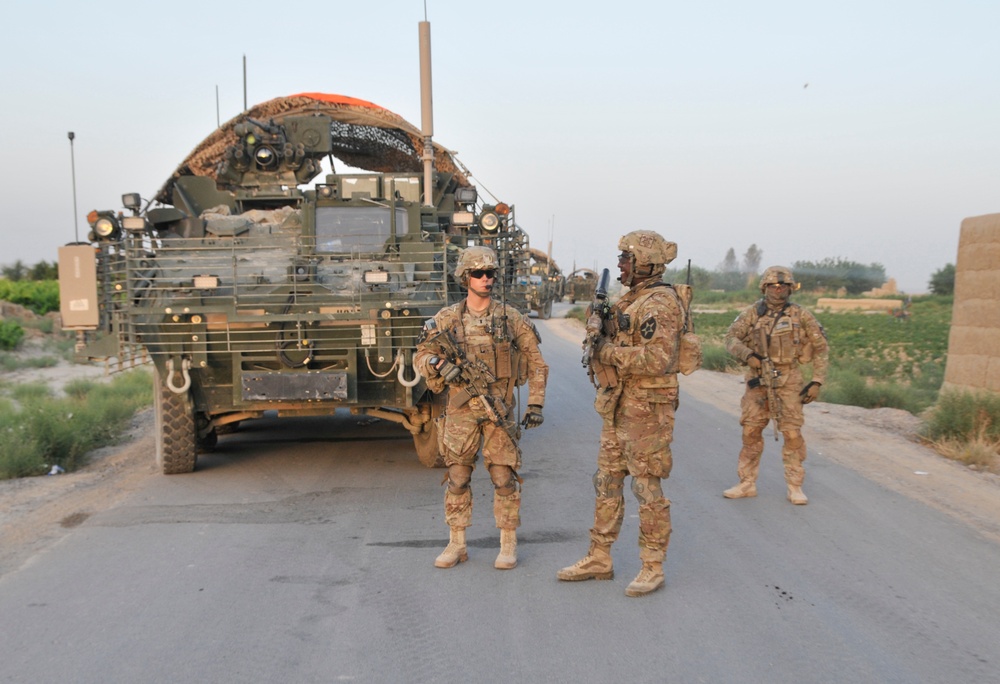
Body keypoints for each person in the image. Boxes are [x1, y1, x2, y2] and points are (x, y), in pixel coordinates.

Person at [557, 230, 682, 597]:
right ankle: (600, 556)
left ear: (646, 263)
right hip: (619, 406)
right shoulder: (632, 298)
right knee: (607, 481)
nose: (620, 264)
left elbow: (657, 360)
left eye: (627, 258)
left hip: (647, 411)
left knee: (645, 486)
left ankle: (652, 566)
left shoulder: (659, 303)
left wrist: (609, 353)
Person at [414, 246, 548, 570]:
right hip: (460, 411)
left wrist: (535, 404)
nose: (486, 278)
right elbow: (419, 357)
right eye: (478, 273)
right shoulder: (447, 319)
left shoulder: (510, 318)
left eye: (490, 273)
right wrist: (435, 362)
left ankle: (507, 543)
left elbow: (537, 363)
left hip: (498, 408)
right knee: (458, 476)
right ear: (465, 277)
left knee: (503, 476)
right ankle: (456, 543)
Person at [722, 265, 829, 505]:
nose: (778, 290)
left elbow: (821, 348)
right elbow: (730, 339)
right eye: (773, 285)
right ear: (764, 287)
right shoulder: (752, 313)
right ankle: (746, 483)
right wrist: (749, 355)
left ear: (790, 288)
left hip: (789, 379)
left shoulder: (801, 315)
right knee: (751, 431)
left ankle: (795, 486)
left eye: (783, 286)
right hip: (758, 379)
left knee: (791, 433)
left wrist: (817, 381)